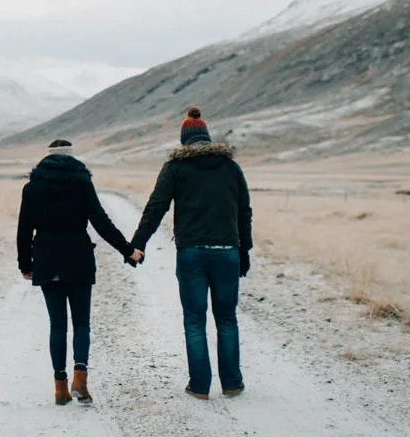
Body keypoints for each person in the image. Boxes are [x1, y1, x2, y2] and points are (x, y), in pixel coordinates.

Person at [127, 107, 252, 399]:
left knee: (195, 320)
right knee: (227, 318)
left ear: (184, 141)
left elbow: (156, 207)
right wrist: (244, 252)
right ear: (208, 137)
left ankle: (199, 386)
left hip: (192, 253)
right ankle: (232, 383)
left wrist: (138, 244)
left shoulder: (175, 168)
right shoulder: (230, 167)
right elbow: (244, 212)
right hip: (227, 251)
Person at [17, 138, 136, 405]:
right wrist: (127, 249)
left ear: (47, 157)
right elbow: (101, 222)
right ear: (72, 157)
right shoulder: (82, 183)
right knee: (81, 323)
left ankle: (60, 388)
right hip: (78, 257)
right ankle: (80, 379)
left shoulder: (32, 187)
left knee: (57, 325)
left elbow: (24, 229)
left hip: (47, 258)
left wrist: (25, 264)